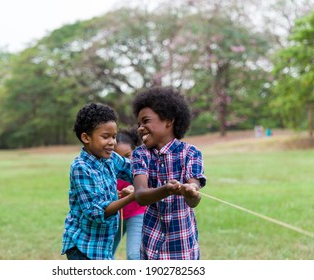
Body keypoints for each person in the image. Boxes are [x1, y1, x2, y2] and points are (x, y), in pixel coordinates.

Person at [131, 87, 207, 260]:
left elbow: (193, 195)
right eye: (138, 124)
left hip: (181, 245)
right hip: (150, 244)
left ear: (168, 121)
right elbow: (141, 195)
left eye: (146, 121)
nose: (141, 128)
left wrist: (191, 191)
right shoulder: (140, 155)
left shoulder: (191, 153)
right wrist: (166, 189)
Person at [61, 103, 136, 260]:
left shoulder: (110, 158)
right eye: (105, 136)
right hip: (83, 247)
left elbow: (133, 170)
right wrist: (131, 197)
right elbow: (96, 212)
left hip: (102, 247)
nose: (112, 142)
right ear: (86, 137)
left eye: (114, 136)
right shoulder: (80, 167)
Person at [112, 128, 146, 260]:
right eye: (117, 157)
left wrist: (134, 187)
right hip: (114, 217)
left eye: (127, 155)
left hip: (136, 214)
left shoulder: (139, 167)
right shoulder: (106, 169)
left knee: (134, 256)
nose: (123, 162)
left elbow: (145, 185)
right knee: (104, 255)